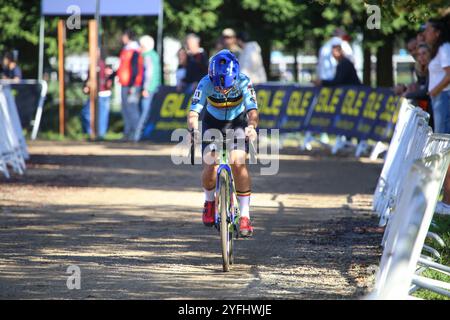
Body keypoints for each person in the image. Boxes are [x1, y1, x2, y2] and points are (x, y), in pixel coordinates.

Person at [186, 49, 259, 237]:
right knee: (210, 163)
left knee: (238, 162)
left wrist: (251, 126)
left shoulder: (244, 81)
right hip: (212, 123)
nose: (222, 90)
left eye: (226, 87)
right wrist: (193, 129)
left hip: (238, 123)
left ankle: (245, 216)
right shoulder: (205, 83)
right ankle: (209, 202)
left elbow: (252, 111)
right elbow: (194, 113)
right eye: (218, 87)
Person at [424, 16, 450, 215]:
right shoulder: (439, 50)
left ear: (437, 33)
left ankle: (447, 200)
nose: (425, 34)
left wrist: (435, 91)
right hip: (439, 98)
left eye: (428, 30)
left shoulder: (445, 49)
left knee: (444, 146)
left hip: (443, 98)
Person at [117, 30, 144, 141]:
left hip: (131, 84)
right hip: (125, 83)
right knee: (125, 109)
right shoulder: (126, 49)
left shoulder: (134, 50)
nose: (122, 38)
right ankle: (127, 133)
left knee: (132, 109)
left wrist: (132, 85)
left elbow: (134, 69)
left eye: (124, 36)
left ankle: (136, 134)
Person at [134, 35, 161, 141]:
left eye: (141, 46)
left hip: (149, 89)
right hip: (153, 88)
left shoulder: (148, 56)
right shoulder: (153, 55)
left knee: (144, 113)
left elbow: (149, 73)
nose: (140, 49)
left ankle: (138, 136)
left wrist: (146, 88)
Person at [81, 53, 114, 139]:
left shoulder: (101, 64)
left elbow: (107, 78)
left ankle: (98, 134)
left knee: (100, 115)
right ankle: (92, 133)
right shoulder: (94, 64)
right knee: (87, 113)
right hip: (97, 93)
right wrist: (86, 86)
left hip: (102, 93)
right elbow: (89, 79)